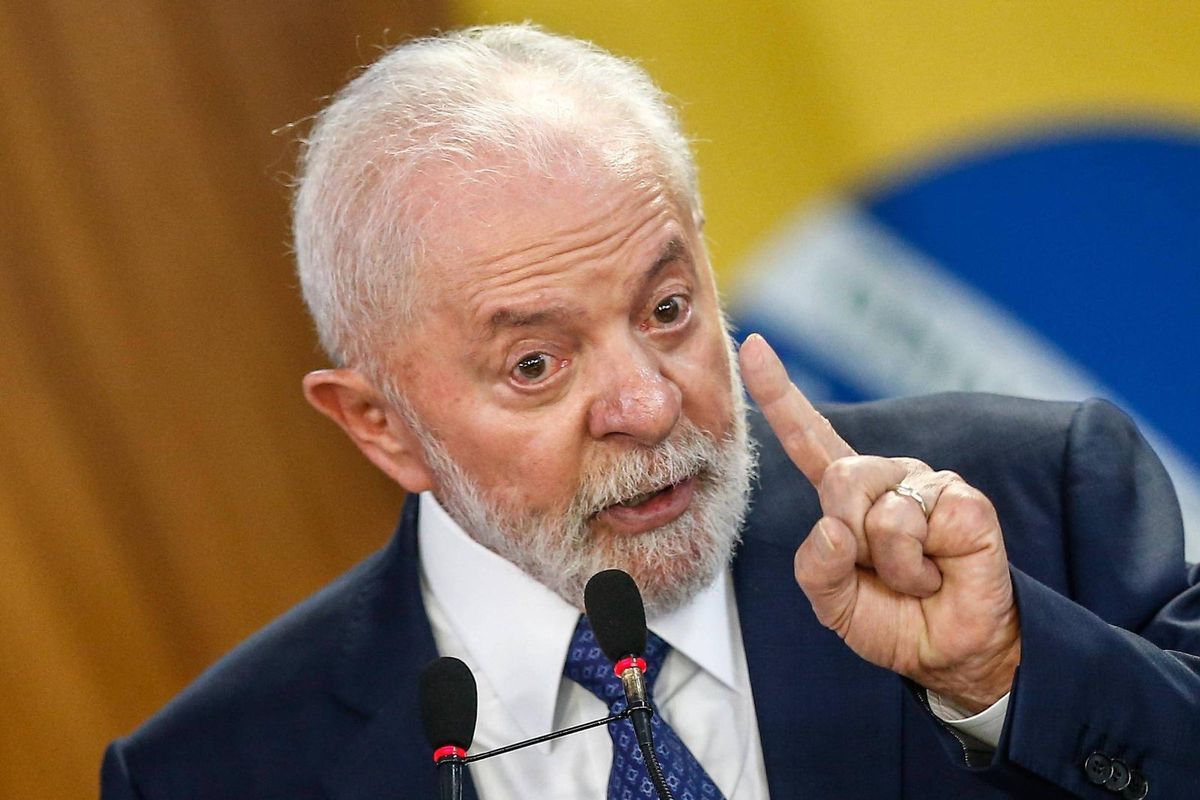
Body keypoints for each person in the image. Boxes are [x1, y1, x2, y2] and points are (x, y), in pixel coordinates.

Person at [102, 23, 1199, 799]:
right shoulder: (212, 772)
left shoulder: (1033, 505)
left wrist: (1002, 672)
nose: (648, 400)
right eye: (536, 363)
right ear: (378, 424)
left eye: (668, 307)